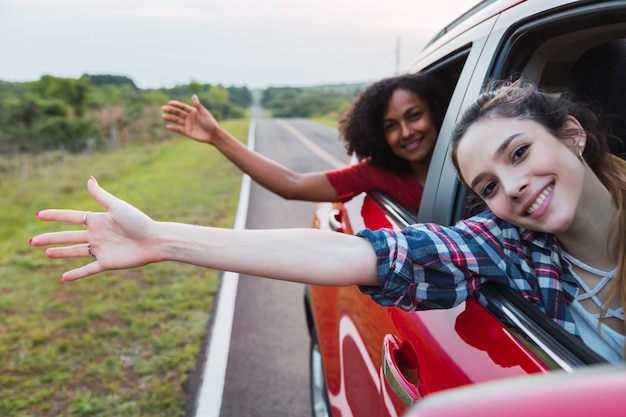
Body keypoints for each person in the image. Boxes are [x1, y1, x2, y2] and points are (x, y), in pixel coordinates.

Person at [31, 80, 625, 362]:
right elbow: (350, 252)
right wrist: (162, 238)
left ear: (572, 135)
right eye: (487, 187)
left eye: (520, 153)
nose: (515, 187)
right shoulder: (507, 245)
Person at [160, 73, 445, 212]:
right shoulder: (377, 172)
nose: (407, 132)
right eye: (390, 126)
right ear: (376, 134)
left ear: (434, 111)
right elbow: (292, 184)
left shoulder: (469, 158)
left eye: (414, 116)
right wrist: (216, 137)